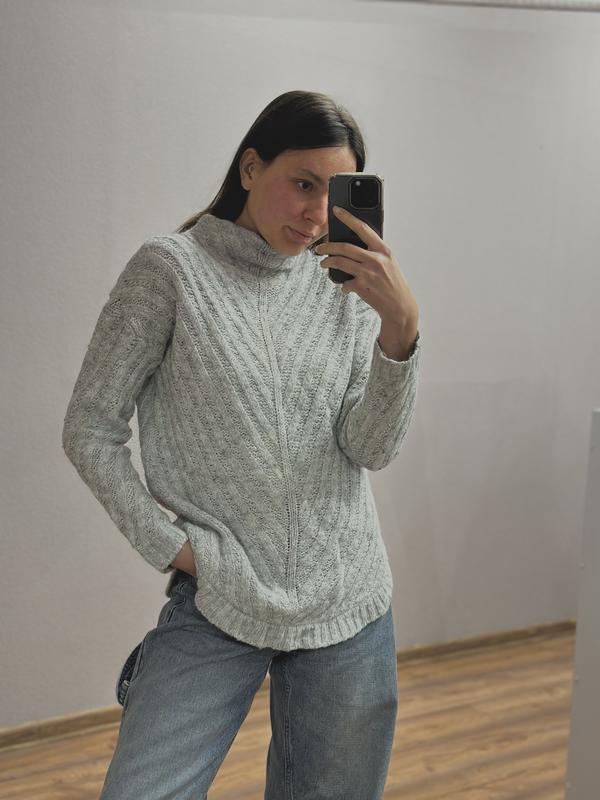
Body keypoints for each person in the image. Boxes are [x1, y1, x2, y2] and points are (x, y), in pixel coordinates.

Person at [62, 89, 421, 799]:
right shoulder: (169, 271)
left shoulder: (344, 286)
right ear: (251, 167)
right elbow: (90, 429)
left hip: (347, 599)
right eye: (303, 184)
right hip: (221, 597)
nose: (316, 214)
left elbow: (369, 448)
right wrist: (177, 550)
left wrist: (399, 333)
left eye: (332, 193)